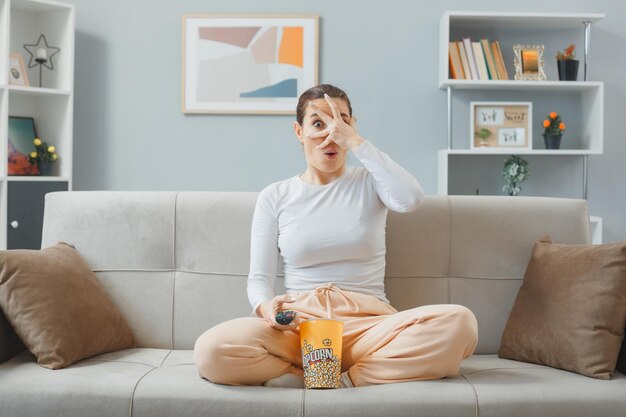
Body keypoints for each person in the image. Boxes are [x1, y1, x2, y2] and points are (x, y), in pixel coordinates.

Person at [193, 84, 478, 388]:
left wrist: (358, 144)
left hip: (369, 326)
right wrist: (266, 308)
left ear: (352, 126)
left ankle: (343, 379)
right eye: (318, 123)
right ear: (299, 132)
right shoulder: (275, 196)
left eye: (340, 121)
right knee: (211, 350)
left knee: (461, 323)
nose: (330, 134)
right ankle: (312, 374)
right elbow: (258, 280)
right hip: (300, 328)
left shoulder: (371, 183)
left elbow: (411, 199)